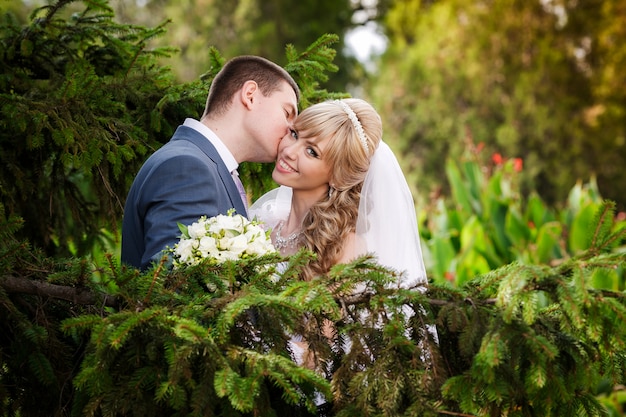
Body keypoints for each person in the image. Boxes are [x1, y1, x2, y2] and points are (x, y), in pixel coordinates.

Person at [122, 55, 300, 270]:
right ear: (250, 95)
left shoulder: (205, 165)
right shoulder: (187, 167)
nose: (291, 129)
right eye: (287, 112)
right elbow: (170, 286)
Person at [249, 98, 427, 288]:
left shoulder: (344, 248)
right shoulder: (263, 222)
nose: (290, 151)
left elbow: (327, 317)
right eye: (294, 134)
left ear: (338, 176)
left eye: (311, 151)